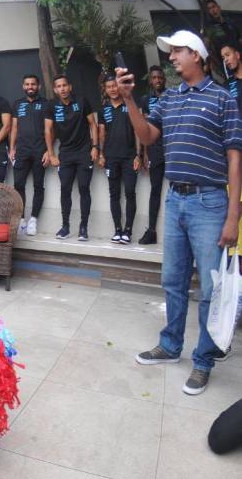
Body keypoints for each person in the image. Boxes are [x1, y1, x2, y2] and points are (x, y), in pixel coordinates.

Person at [117, 30, 242, 395]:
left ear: (197, 55)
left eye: (177, 51)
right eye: (170, 52)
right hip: (175, 200)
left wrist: (234, 215)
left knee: (210, 287)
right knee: (172, 280)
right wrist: (128, 100)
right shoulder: (168, 98)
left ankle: (203, 359)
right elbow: (147, 136)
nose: (171, 57)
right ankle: (171, 346)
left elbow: (236, 159)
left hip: (210, 202)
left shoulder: (223, 99)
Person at [45, 74, 99, 241]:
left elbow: (93, 124)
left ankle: (83, 227)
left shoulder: (82, 101)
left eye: (64, 85)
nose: (62, 89)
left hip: (84, 152)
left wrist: (95, 147)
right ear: (55, 90)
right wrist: (51, 154)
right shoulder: (52, 106)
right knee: (65, 189)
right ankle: (65, 226)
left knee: (84, 188)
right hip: (65, 154)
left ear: (70, 87)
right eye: (58, 86)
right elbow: (48, 130)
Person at [98, 74, 141, 244]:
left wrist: (139, 154)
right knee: (114, 194)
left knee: (130, 193)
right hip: (111, 158)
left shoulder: (129, 105)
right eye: (109, 87)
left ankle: (128, 231)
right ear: (106, 90)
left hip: (130, 158)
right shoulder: (103, 109)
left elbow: (138, 130)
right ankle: (117, 230)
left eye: (115, 86)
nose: (112, 90)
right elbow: (102, 133)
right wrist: (101, 154)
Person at [10, 74, 49, 236]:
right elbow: (14, 128)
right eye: (27, 84)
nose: (30, 87)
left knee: (38, 185)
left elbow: (50, 130)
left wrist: (49, 150)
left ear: (38, 86)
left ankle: (33, 220)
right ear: (23, 86)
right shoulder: (17, 104)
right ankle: (21, 220)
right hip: (22, 151)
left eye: (33, 84)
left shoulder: (46, 104)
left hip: (40, 150)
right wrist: (12, 148)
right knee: (18, 185)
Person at [138, 66, 167, 245]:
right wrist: (145, 154)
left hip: (172, 149)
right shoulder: (145, 99)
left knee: (178, 191)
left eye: (160, 77)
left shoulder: (172, 95)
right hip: (155, 150)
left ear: (164, 79)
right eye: (154, 77)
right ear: (150, 80)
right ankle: (151, 230)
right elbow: (145, 127)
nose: (157, 80)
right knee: (154, 190)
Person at [203, 0, 241, 73]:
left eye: (213, 7)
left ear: (218, 7)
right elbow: (208, 47)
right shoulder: (210, 28)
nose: (212, 10)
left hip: (239, 56)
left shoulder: (230, 22)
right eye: (209, 9)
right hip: (226, 63)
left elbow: (239, 38)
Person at [221, 43, 241, 110]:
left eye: (227, 55)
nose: (225, 60)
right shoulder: (227, 85)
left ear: (237, 55)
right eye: (223, 58)